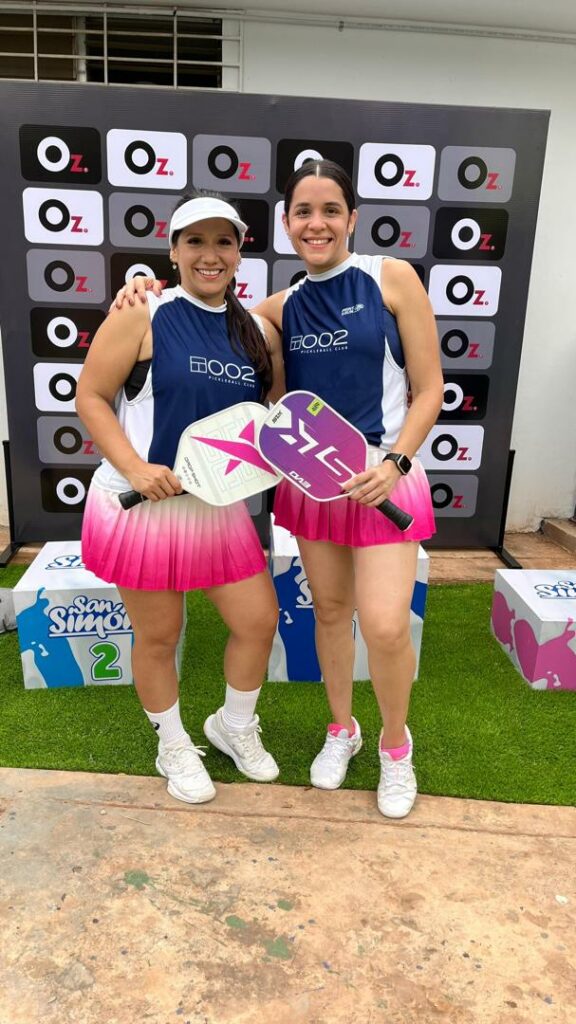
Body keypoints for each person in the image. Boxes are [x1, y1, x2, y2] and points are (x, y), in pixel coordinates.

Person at [115, 160, 444, 819]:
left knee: (385, 626)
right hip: (315, 485)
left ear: (352, 218)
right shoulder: (281, 306)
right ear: (287, 224)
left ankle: (395, 747)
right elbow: (206, 306)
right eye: (303, 212)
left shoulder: (391, 278)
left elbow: (430, 387)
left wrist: (396, 463)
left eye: (330, 210)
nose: (316, 224)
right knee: (330, 613)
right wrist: (143, 288)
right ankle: (342, 729)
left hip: (385, 478)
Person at [76, 192, 284, 806]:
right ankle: (172, 743)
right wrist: (137, 469)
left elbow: (267, 418)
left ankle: (233, 725)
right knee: (160, 634)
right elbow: (91, 396)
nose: (209, 255)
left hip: (215, 507)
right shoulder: (142, 311)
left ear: (239, 254)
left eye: (223, 242)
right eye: (195, 241)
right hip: (142, 506)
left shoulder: (256, 331)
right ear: (173, 251)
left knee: (258, 620)